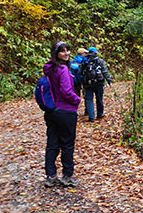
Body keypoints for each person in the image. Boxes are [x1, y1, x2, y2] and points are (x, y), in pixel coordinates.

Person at [42, 41, 81, 187]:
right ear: (56, 53)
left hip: (51, 111)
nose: (66, 53)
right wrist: (77, 100)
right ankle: (67, 176)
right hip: (66, 111)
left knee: (52, 143)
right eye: (62, 51)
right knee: (67, 144)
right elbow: (66, 91)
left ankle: (51, 176)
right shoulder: (63, 69)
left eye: (67, 50)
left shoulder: (50, 68)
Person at [84, 46, 113, 122]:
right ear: (96, 53)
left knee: (89, 100)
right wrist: (109, 81)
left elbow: (80, 72)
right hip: (99, 83)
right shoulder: (100, 61)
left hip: (87, 84)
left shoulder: (85, 61)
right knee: (99, 99)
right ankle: (100, 114)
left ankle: (91, 117)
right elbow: (105, 71)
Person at [70, 48, 88, 115]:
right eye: (85, 53)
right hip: (84, 81)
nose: (86, 54)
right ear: (82, 54)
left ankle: (74, 111)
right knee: (86, 96)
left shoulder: (73, 61)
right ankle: (87, 110)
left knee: (76, 96)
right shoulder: (85, 61)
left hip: (75, 81)